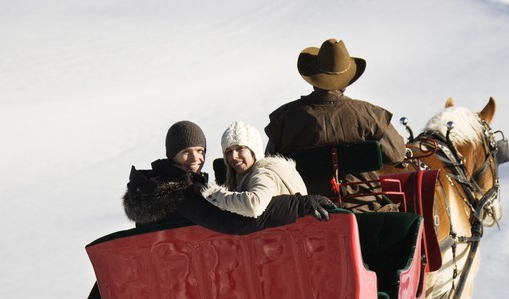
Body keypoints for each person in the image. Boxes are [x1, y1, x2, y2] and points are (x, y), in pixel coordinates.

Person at [264, 38, 407, 212]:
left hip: (306, 209)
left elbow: (270, 162)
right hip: (363, 208)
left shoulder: (284, 119)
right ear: (346, 82)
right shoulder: (370, 115)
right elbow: (397, 154)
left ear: (313, 78)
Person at [122, 120, 333, 234]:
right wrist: (298, 205)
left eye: (200, 150)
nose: (195, 158)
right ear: (172, 155)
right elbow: (233, 222)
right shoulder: (179, 191)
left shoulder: (160, 184)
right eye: (186, 152)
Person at [200, 121, 307, 217]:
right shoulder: (246, 177)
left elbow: (254, 205)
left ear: (254, 150)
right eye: (228, 152)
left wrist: (215, 195)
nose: (233, 156)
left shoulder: (263, 174)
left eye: (240, 148)